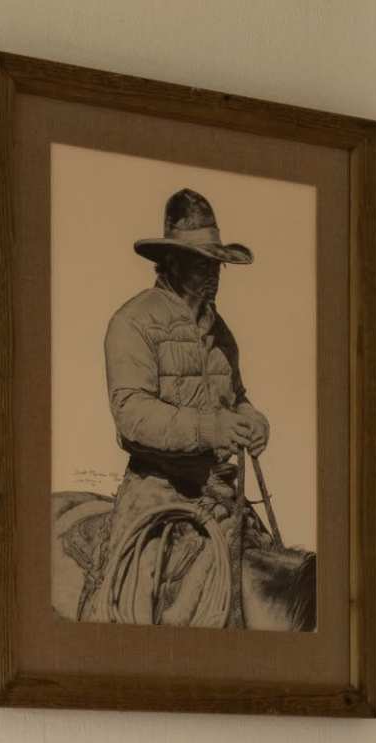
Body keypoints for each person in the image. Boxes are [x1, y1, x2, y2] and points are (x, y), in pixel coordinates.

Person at [76, 188, 276, 627]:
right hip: (157, 487)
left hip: (220, 488)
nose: (214, 272)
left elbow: (236, 396)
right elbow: (132, 414)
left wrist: (253, 422)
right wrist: (212, 427)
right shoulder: (132, 322)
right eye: (202, 261)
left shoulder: (221, 331)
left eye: (215, 261)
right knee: (126, 603)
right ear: (172, 260)